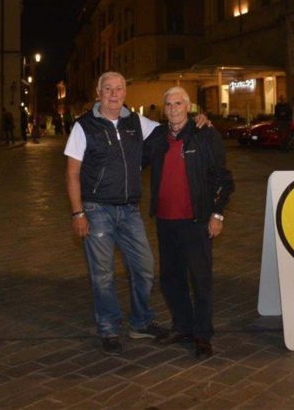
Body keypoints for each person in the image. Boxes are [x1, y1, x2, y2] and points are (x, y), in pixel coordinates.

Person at [64, 72, 209, 355]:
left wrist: (198, 120)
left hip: (130, 210)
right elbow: (72, 174)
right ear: (98, 93)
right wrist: (77, 213)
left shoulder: (135, 122)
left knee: (144, 267)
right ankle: (108, 328)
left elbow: (173, 126)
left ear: (124, 93)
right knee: (103, 275)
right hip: (97, 210)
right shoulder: (84, 126)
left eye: (119, 89)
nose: (114, 94)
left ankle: (140, 322)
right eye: (108, 89)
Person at [144, 86, 233, 359]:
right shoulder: (158, 137)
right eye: (168, 104)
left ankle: (203, 335)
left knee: (200, 280)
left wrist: (217, 214)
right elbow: (134, 150)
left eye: (178, 103)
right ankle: (182, 327)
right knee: (171, 279)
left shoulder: (205, 134)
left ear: (189, 106)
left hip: (196, 221)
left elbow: (223, 178)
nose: (173, 109)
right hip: (165, 221)